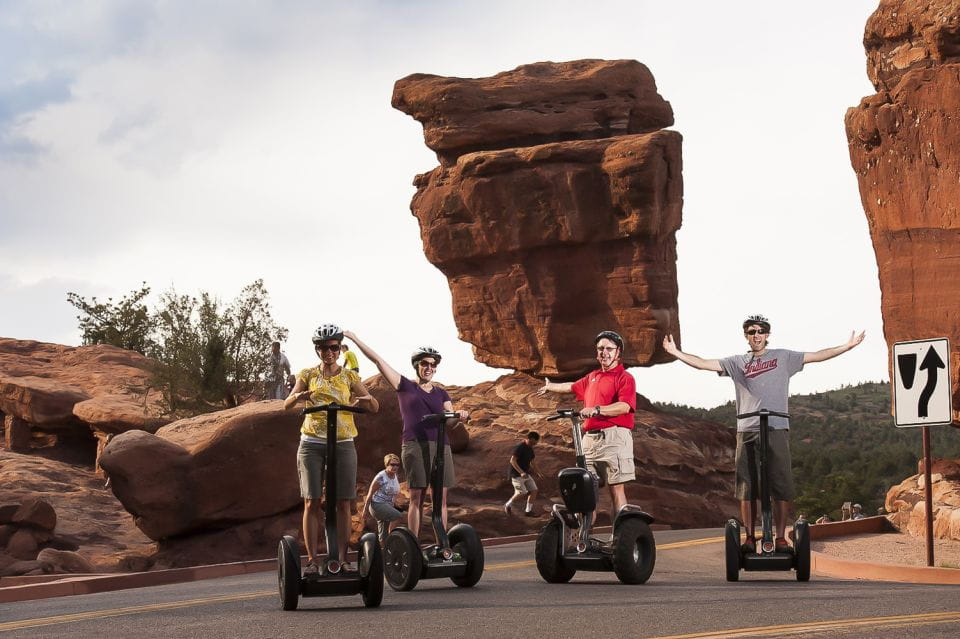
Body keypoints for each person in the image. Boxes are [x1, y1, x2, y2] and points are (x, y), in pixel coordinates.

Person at [662, 314, 865, 553]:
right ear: (746, 336)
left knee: (781, 483)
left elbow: (817, 356)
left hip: (776, 427)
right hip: (747, 429)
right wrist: (676, 353)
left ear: (767, 335)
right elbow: (705, 363)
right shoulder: (737, 362)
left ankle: (780, 537)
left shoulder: (783, 357)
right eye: (751, 332)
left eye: (760, 331)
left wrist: (846, 346)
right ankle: (749, 536)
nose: (756, 335)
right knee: (746, 485)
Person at [344, 330, 468, 541]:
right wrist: (354, 339)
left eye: (432, 364)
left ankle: (442, 545)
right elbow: (378, 361)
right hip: (414, 445)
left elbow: (449, 420)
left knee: (441, 497)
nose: (428, 368)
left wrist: (460, 416)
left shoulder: (441, 393)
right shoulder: (405, 386)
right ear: (417, 365)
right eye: (424, 364)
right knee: (417, 496)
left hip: (440, 446)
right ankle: (413, 543)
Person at [284, 323, 379, 574]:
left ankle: (342, 559)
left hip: (343, 442)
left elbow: (374, 406)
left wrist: (367, 400)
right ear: (317, 350)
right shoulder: (307, 374)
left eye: (334, 348)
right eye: (324, 348)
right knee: (311, 500)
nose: (329, 352)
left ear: (340, 350)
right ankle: (313, 561)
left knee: (344, 502)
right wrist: (299, 397)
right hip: (312, 442)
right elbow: (287, 404)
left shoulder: (350, 377)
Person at [537, 330, 638, 525]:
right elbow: (572, 386)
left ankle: (621, 539)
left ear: (618, 353)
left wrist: (597, 410)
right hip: (589, 441)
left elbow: (624, 406)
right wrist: (550, 386)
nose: (604, 353)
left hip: (614, 438)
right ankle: (584, 540)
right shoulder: (593, 377)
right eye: (600, 349)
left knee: (616, 490)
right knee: (586, 490)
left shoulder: (625, 378)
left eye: (609, 349)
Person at [362, 454, 404, 545]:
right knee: (398, 516)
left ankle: (384, 552)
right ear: (387, 464)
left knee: (383, 536)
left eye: (397, 465)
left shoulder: (395, 475)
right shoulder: (381, 477)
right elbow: (370, 494)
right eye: (392, 464)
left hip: (387, 505)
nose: (395, 467)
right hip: (377, 505)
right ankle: (393, 538)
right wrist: (365, 510)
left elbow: (393, 492)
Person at [504, 431, 542, 517]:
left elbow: (532, 462)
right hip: (516, 474)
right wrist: (521, 472)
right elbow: (512, 460)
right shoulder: (520, 447)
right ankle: (508, 505)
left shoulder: (530, 448)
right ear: (528, 438)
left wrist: (538, 472)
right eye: (532, 442)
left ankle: (528, 511)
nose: (533, 444)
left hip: (526, 474)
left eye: (535, 443)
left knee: (534, 490)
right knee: (522, 492)